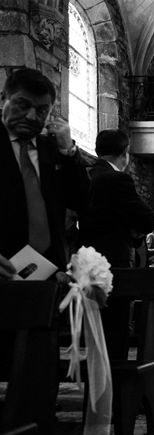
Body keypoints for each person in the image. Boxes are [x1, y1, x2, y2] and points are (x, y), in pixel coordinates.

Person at [0, 67, 90, 280]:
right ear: (4, 99)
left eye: (41, 110)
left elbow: (82, 201)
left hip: (49, 274)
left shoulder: (54, 150)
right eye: (23, 105)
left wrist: (69, 152)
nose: (31, 116)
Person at [79, 129, 154, 268]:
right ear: (125, 152)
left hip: (82, 257)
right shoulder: (117, 179)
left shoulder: (84, 173)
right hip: (112, 259)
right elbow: (148, 220)